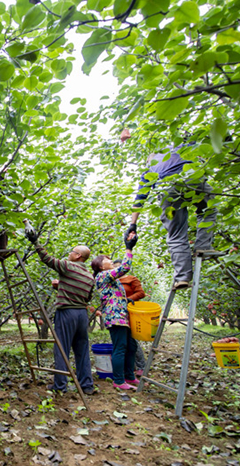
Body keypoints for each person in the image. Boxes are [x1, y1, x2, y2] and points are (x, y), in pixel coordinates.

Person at [126, 142, 217, 290]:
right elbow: (197, 139)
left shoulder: (149, 171)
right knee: (209, 208)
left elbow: (139, 200)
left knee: (176, 233)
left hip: (166, 188)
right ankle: (203, 246)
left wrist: (133, 225)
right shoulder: (176, 149)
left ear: (149, 161)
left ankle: (182, 278)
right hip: (191, 177)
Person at [24, 222, 95, 395]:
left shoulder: (68, 266)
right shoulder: (89, 276)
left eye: (72, 251)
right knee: (82, 349)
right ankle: (86, 385)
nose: (69, 254)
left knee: (61, 347)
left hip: (67, 313)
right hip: (82, 314)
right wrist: (62, 287)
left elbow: (47, 259)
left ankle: (60, 385)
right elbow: (86, 298)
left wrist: (35, 241)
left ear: (78, 256)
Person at [91, 232, 139, 390]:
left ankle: (129, 376)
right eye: (107, 260)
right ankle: (118, 380)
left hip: (122, 316)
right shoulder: (102, 276)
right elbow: (125, 267)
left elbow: (114, 296)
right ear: (100, 266)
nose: (111, 261)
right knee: (120, 347)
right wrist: (128, 248)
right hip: (115, 317)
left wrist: (126, 300)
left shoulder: (110, 279)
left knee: (131, 346)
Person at [113, 259, 147, 375]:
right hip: (116, 313)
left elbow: (141, 293)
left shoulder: (131, 279)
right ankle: (127, 368)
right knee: (121, 342)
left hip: (130, 312)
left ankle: (140, 366)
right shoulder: (111, 280)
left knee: (132, 341)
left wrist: (129, 299)